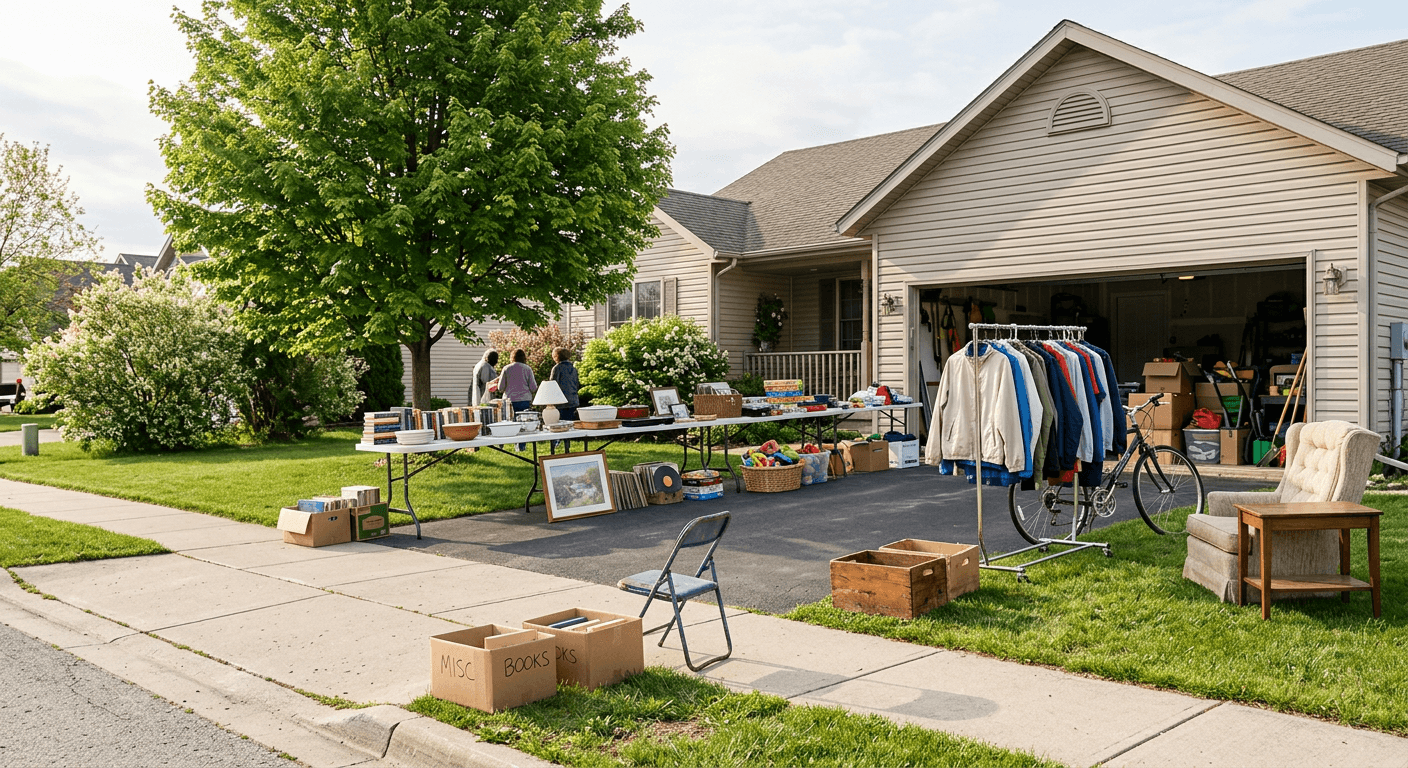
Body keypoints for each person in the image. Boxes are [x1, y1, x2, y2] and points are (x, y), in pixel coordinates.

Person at [498, 348, 537, 413]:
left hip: (509, 401)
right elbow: (533, 388)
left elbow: (500, 388)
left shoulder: (506, 369)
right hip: (524, 400)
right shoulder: (527, 369)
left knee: (510, 419)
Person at [549, 347, 580, 422]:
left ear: (556, 357)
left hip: (561, 402)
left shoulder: (557, 368)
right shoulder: (573, 368)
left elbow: (552, 385)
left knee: (562, 423)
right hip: (574, 400)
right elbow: (577, 384)